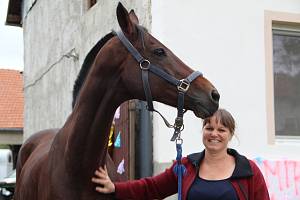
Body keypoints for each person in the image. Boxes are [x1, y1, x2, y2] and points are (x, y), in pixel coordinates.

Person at [91, 108, 270, 200]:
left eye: (221, 129)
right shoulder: (185, 167)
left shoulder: (248, 171)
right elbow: (151, 188)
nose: (214, 134)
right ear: (203, 131)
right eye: (209, 128)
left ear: (230, 134)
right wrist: (115, 188)